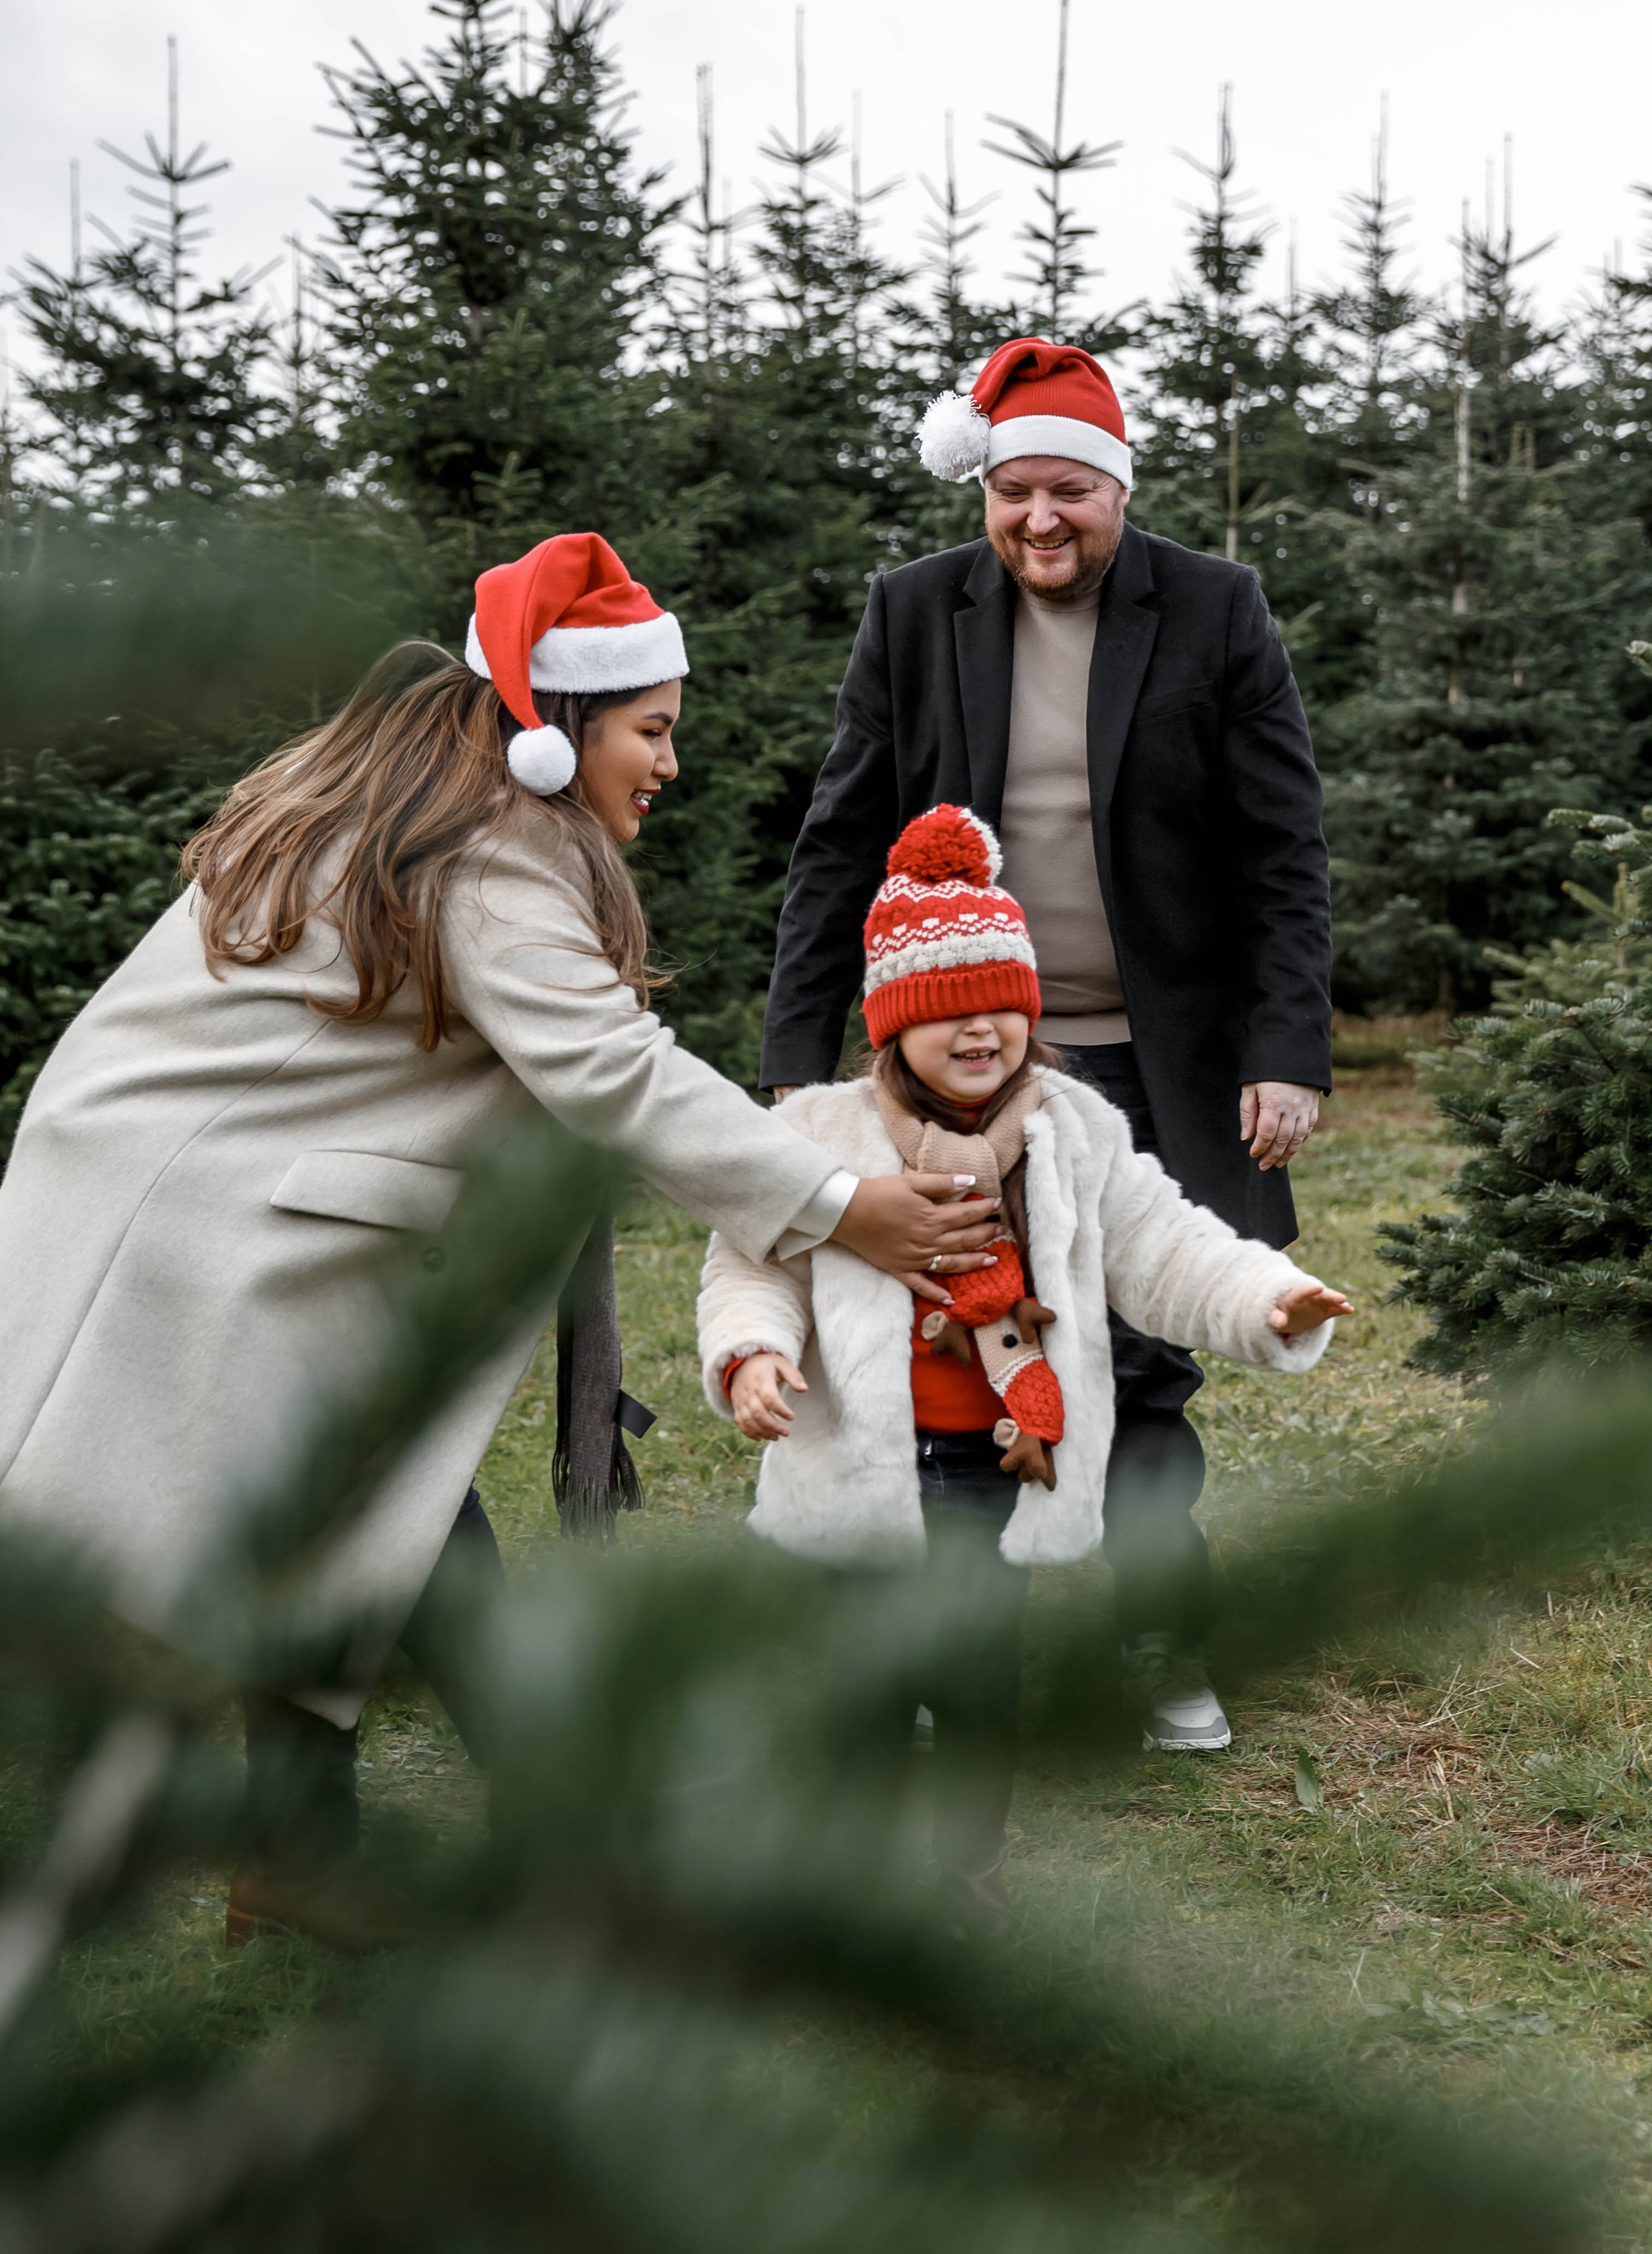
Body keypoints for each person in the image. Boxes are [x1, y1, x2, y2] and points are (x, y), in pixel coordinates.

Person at [0, 533, 1003, 1949]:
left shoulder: (430, 807)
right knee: (395, 1508)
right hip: (205, 1215)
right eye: (651, 730)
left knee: (358, 1515)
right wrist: (841, 1203)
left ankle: (306, 1855)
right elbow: (614, 1070)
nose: (670, 764)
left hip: (180, 1189)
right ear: (561, 725)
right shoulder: (495, 849)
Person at [759, 337, 1335, 1749]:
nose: (1039, 519)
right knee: (937, 1343)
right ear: (985, 492)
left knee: (1138, 1362)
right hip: (950, 1061)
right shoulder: (914, 613)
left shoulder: (1215, 611)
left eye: (1070, 491)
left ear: (1118, 489)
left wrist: (1285, 1049)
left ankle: (1156, 1641)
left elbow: (1280, 848)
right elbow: (840, 837)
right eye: (1013, 491)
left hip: (1148, 1053)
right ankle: (933, 1652)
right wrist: (794, 1053)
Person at [700, 806, 1350, 1927]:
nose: (980, 1029)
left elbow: (1164, 1246)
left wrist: (1266, 1300)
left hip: (993, 1463)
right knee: (859, 1684)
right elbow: (754, 1265)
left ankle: (967, 1873)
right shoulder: (821, 1135)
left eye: (1000, 1002)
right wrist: (753, 1353)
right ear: (890, 1023)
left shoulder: (1072, 1132)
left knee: (976, 1684)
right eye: (946, 1008)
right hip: (854, 1465)